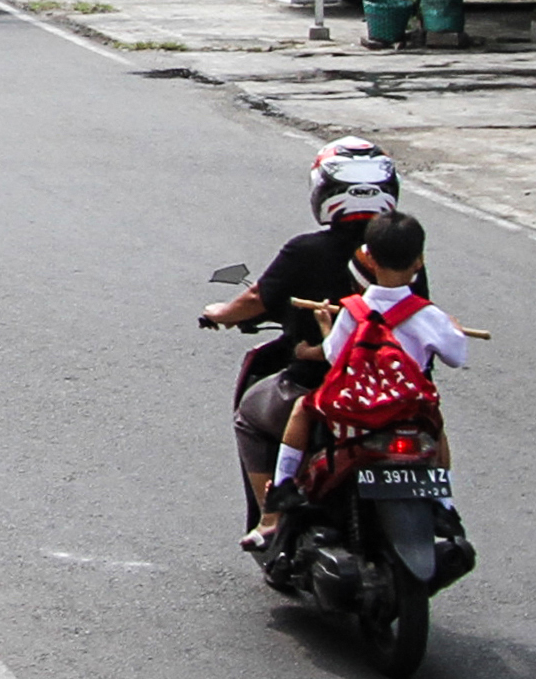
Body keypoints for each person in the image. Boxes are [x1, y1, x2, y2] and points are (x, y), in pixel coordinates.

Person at [198, 137, 403, 525]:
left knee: (250, 417)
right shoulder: (401, 257)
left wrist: (221, 313)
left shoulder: (305, 251)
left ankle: (270, 520)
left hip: (323, 389)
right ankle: (443, 508)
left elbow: (256, 298)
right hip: (396, 392)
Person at [242, 210, 466, 547]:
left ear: (369, 259)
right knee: (435, 425)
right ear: (418, 261)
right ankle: (443, 503)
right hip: (407, 410)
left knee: (303, 406)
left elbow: (334, 354)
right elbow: (455, 356)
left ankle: (283, 488)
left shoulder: (353, 310)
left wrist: (324, 329)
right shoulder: (429, 316)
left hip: (357, 408)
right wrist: (453, 329)